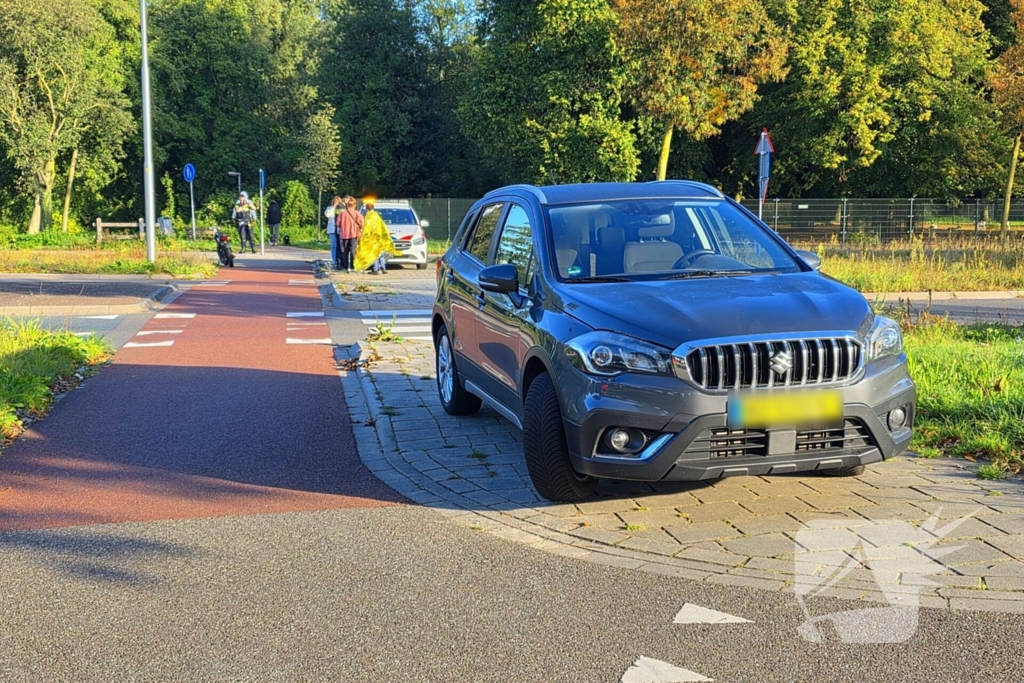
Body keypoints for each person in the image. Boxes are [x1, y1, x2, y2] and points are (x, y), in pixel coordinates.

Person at [353, 197, 396, 274]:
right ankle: (383, 268)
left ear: (367, 209)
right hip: (379, 237)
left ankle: (375, 269)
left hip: (372, 237)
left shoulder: (368, 216)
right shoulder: (377, 216)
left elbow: (366, 227)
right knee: (380, 253)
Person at [336, 195, 364, 273]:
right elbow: (362, 223)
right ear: (354, 205)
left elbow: (338, 223)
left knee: (345, 251)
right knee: (353, 251)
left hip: (344, 234)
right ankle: (352, 266)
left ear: (347, 205)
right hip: (354, 234)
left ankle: (345, 267)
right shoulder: (357, 213)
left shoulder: (342, 213)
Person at [325, 196, 342, 269]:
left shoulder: (341, 209)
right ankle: (334, 260)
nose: (336, 202)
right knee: (333, 245)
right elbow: (327, 215)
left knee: (339, 245)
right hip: (332, 229)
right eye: (334, 201)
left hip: (339, 229)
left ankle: (339, 260)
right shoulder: (329, 208)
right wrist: (333, 207)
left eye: (337, 201)